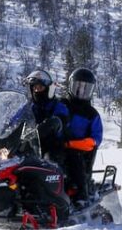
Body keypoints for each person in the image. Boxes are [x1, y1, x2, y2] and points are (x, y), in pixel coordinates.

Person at [61, 68, 103, 206]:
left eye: (86, 88)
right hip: (56, 145)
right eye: (78, 86)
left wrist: (74, 144)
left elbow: (96, 139)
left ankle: (81, 195)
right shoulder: (61, 105)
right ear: (71, 85)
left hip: (80, 153)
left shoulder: (92, 114)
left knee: (74, 158)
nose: (81, 91)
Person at [24, 69, 69, 161]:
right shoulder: (29, 106)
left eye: (40, 87)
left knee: (50, 160)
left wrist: (53, 123)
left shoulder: (58, 106)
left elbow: (61, 122)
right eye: (34, 88)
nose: (36, 91)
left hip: (53, 148)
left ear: (49, 89)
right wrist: (5, 128)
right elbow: (15, 119)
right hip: (30, 145)